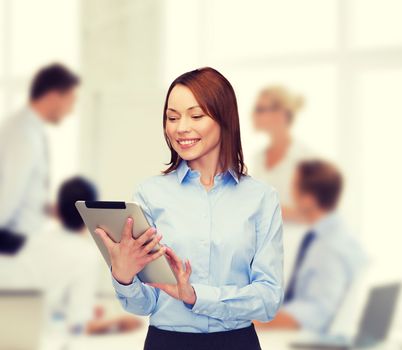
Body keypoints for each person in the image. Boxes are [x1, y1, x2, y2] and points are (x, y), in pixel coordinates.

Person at [95, 67, 284, 350]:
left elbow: (268, 299)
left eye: (196, 116)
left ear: (225, 119)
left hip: (237, 343)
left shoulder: (261, 198)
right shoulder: (150, 194)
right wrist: (124, 277)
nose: (181, 128)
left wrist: (195, 295)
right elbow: (145, 303)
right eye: (172, 117)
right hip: (166, 342)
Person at [0, 176, 141, 334]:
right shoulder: (86, 255)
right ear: (90, 212)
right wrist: (119, 322)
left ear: (56, 209)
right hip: (43, 338)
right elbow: (78, 326)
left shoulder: (35, 240)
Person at [255, 160, 365, 333]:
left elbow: (317, 311)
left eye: (294, 187)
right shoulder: (332, 236)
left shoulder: (328, 247)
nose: (290, 194)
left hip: (311, 337)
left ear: (309, 200)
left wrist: (254, 321)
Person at [0, 63, 80, 237]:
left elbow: (23, 191)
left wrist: (49, 208)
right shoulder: (23, 134)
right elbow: (8, 196)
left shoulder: (28, 129)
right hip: (14, 243)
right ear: (53, 96)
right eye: (71, 100)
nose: (71, 111)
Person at [251, 85, 314, 222]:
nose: (253, 115)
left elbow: (313, 214)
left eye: (260, 109)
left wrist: (264, 208)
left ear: (281, 115)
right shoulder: (258, 158)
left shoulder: (305, 159)